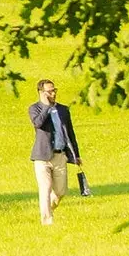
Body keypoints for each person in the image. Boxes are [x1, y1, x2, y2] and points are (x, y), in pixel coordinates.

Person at [28, 79, 81, 225]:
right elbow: (38, 123)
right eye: (50, 91)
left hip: (60, 155)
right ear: (41, 93)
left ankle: (47, 210)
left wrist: (75, 155)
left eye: (54, 90)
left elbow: (70, 133)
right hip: (42, 156)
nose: (53, 93)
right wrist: (46, 105)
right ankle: (47, 221)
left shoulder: (63, 110)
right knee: (45, 189)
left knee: (60, 192)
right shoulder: (35, 109)